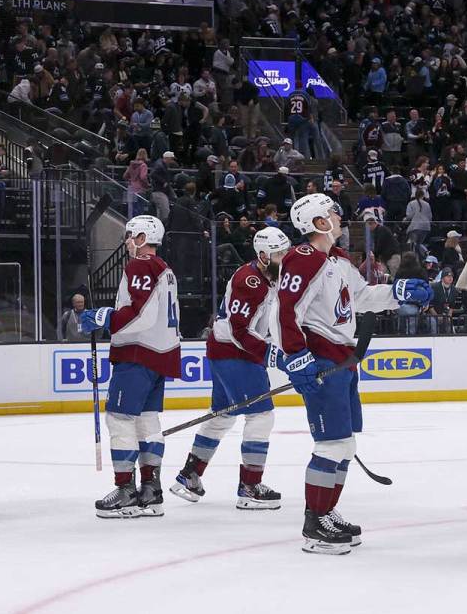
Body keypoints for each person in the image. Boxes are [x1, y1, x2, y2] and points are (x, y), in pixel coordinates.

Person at [275, 193, 431, 554]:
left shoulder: (339, 260)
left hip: (343, 361)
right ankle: (315, 523)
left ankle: (327, 511)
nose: (339, 216)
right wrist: (296, 357)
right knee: (330, 445)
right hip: (322, 361)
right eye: (332, 212)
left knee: (345, 444)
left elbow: (360, 298)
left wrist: (397, 292)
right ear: (318, 222)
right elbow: (286, 310)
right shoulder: (303, 258)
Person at [170, 228, 291, 510]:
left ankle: (190, 474)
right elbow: (239, 329)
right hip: (235, 353)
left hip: (228, 351)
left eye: (286, 252)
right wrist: (271, 354)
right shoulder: (250, 281)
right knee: (261, 416)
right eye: (279, 254)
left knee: (223, 415)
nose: (285, 258)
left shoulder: (271, 277)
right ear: (263, 256)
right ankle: (250, 486)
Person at [82, 216, 181, 519]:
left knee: (119, 418)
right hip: (160, 355)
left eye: (130, 236)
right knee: (147, 421)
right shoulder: (165, 269)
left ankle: (126, 490)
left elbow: (141, 313)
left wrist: (104, 318)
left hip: (138, 354)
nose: (126, 241)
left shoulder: (141, 265)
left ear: (141, 238)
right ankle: (151, 492)